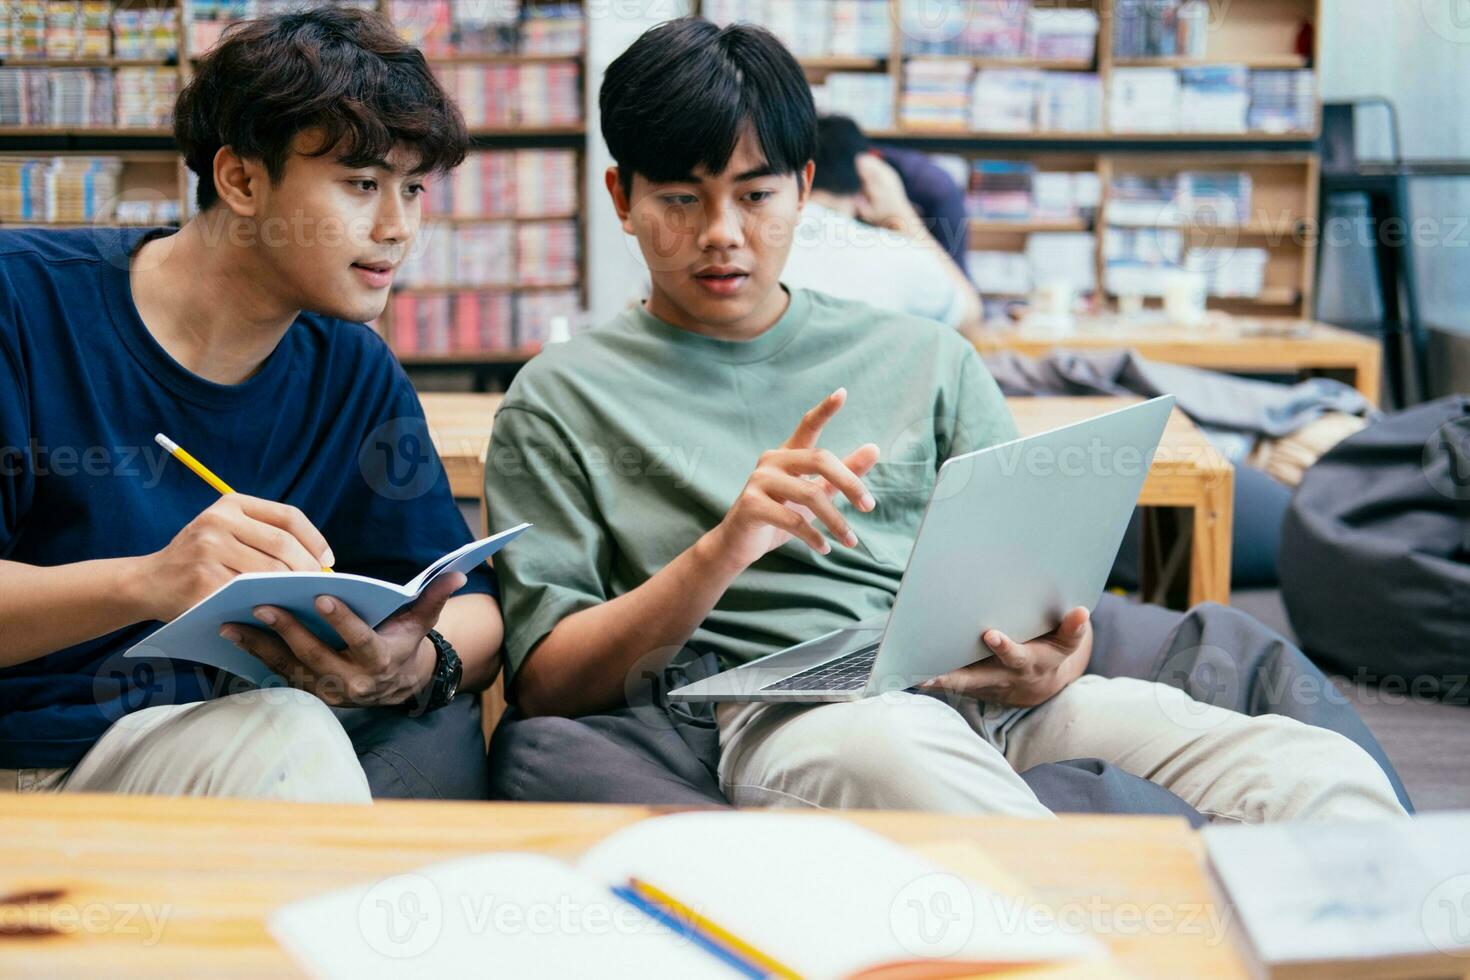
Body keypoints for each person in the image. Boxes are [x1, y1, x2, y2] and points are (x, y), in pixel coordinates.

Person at [484, 17, 1406, 821]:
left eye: (756, 195)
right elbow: (548, 684)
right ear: (622, 199)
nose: (722, 231)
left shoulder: (925, 355)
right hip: (788, 717)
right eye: (682, 199)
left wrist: (1057, 656)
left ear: (804, 190)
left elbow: (1038, 594)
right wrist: (722, 548)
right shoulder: (560, 397)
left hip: (977, 691)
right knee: (924, 775)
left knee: (1310, 771)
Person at [0, 7, 501, 802]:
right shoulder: (22, 300)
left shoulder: (350, 368)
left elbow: (467, 602)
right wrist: (149, 582)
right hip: (30, 758)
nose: (398, 227)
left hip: (198, 749)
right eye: (363, 184)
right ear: (239, 179)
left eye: (414, 189)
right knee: (289, 736)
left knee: (309, 731)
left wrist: (411, 663)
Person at [782, 115, 982, 329]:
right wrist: (902, 216)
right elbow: (969, 316)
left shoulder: (761, 244)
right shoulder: (900, 256)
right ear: (865, 171)